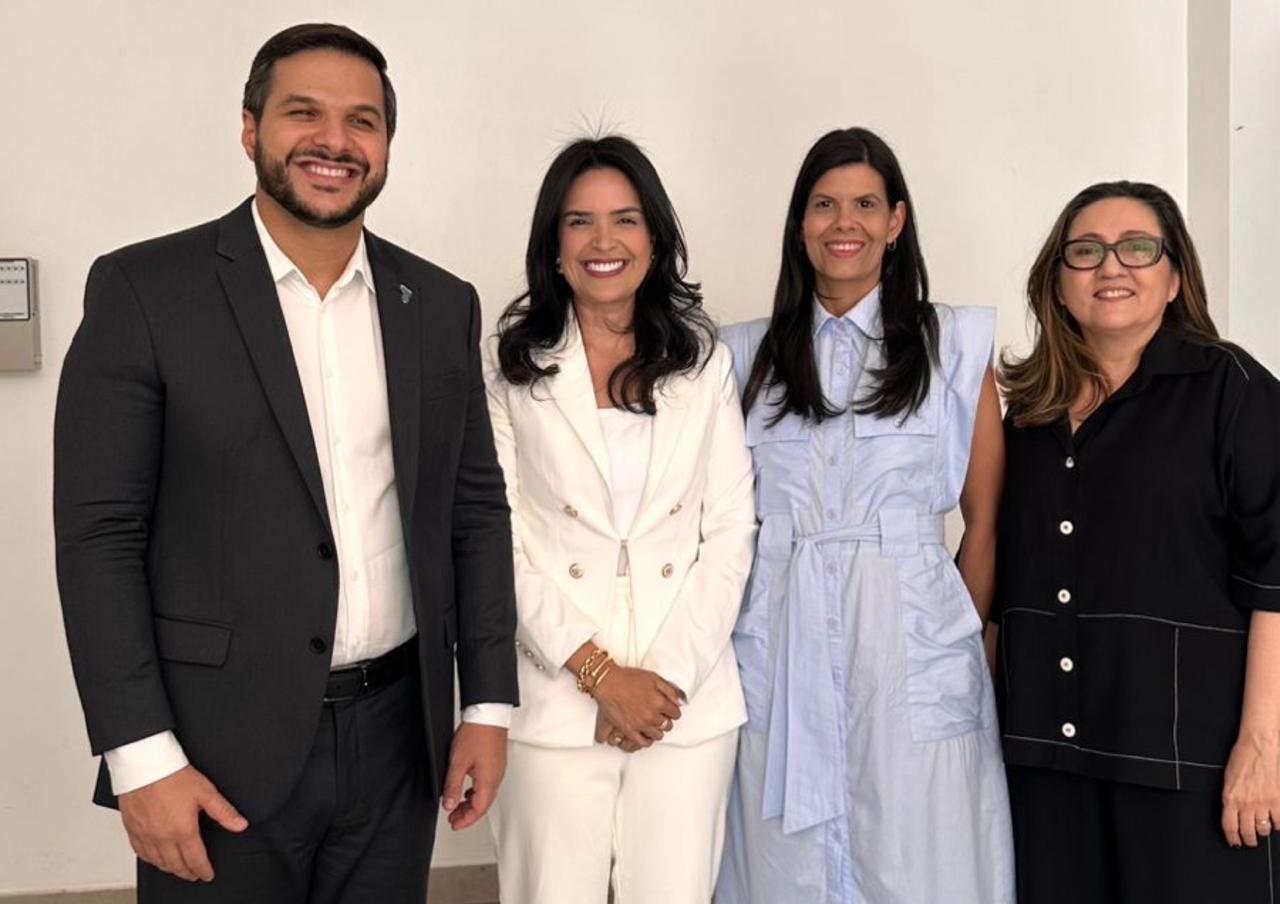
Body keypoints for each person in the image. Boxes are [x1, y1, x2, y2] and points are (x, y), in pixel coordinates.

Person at [52, 23, 517, 903]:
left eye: (363, 121)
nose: (334, 141)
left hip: (397, 744)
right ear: (250, 128)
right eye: (304, 113)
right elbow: (98, 537)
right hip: (214, 750)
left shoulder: (439, 303)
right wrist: (140, 754)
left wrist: (486, 707)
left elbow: (473, 513)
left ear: (386, 145)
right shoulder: (147, 291)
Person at [717, 127, 1015, 903]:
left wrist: (967, 643)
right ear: (799, 223)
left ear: (896, 220)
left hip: (913, 639)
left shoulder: (954, 344)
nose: (842, 222)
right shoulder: (741, 357)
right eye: (823, 204)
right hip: (777, 635)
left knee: (921, 851)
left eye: (863, 204)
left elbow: (985, 520)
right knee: (783, 855)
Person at [483, 135, 756, 903]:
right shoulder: (509, 368)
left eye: (625, 219)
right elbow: (494, 540)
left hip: (685, 710)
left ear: (655, 238)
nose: (604, 241)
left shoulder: (704, 363)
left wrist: (658, 683)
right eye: (580, 222)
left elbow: (731, 529)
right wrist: (600, 677)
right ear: (554, 244)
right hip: (553, 703)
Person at [994, 180, 1280, 902]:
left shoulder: (1234, 390)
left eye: (1137, 249)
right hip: (1044, 767)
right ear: (1057, 286)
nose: (1111, 267)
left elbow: (1277, 577)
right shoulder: (1025, 419)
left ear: (1175, 274)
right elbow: (1000, 588)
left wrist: (1264, 747)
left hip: (1192, 767)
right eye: (1085, 252)